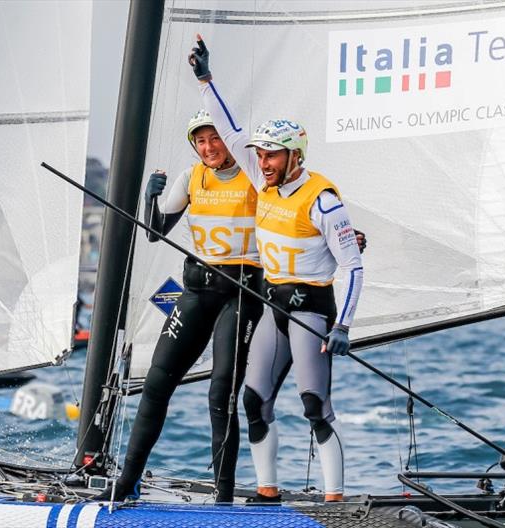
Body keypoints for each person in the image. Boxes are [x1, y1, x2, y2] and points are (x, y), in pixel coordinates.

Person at [190, 36, 364, 503]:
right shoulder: (261, 178)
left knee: (314, 405)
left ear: (294, 157)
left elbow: (351, 265)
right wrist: (206, 80)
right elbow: (229, 132)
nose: (262, 163)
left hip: (312, 310)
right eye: (260, 155)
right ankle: (267, 491)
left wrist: (343, 324)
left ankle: (335, 497)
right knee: (254, 400)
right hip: (273, 305)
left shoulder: (323, 203)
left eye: (272, 156)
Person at [97, 109, 266, 504]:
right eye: (200, 141)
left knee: (220, 393)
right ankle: (127, 481)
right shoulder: (192, 178)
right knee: (156, 384)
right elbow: (155, 233)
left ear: (229, 139)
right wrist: (149, 198)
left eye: (215, 139)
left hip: (240, 296)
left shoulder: (255, 176)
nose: (208, 148)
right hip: (196, 292)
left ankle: (223, 497)